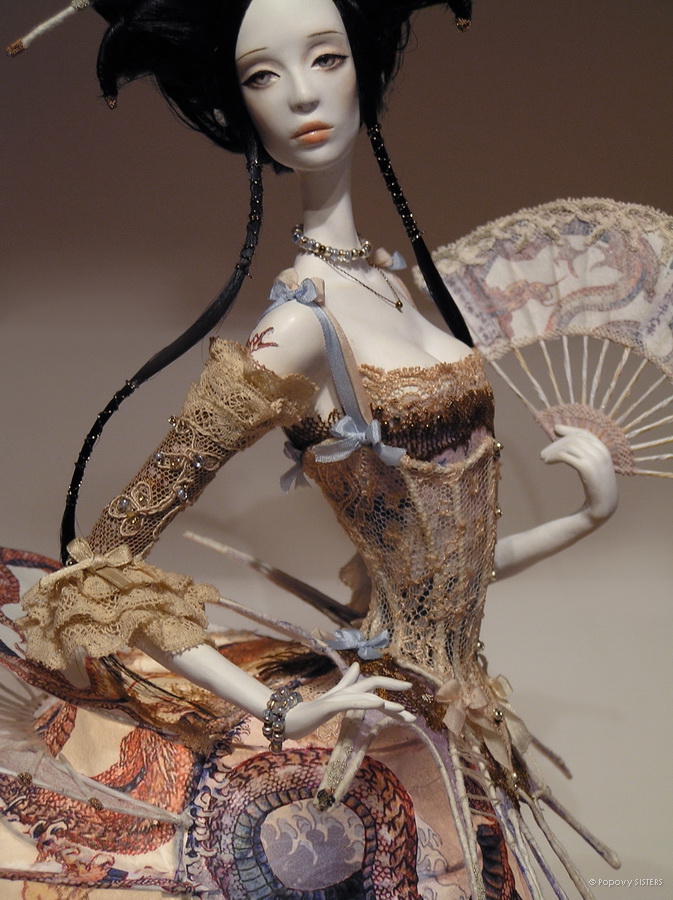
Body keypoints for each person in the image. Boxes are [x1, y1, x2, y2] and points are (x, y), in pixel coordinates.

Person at [3, 1, 623, 898]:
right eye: (262, 75)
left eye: (324, 58)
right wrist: (280, 708)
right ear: (238, 104)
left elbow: (448, 575)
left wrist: (587, 517)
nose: (300, 95)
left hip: (461, 724)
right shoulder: (296, 326)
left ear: (362, 65)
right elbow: (102, 562)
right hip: (373, 743)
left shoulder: (392, 282)